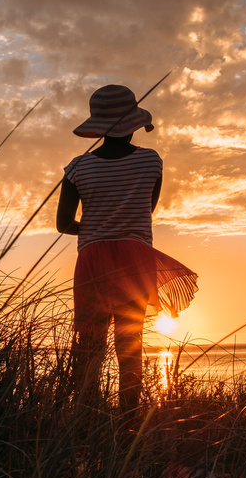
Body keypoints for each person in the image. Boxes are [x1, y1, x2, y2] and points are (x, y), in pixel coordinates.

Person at [56, 84, 198, 414]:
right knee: (130, 347)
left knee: (89, 347)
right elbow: (146, 211)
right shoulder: (151, 161)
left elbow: (64, 224)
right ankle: (128, 422)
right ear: (133, 123)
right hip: (136, 257)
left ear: (97, 125)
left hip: (93, 258)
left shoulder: (78, 167)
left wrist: (94, 231)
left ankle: (84, 419)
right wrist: (120, 230)